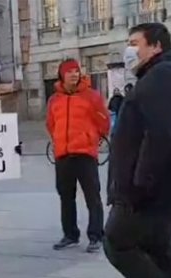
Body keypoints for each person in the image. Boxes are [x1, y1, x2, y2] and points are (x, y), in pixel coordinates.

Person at [105, 22, 171, 278]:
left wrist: (142, 181)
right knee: (158, 248)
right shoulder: (160, 75)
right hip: (161, 188)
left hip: (146, 190)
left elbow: (161, 132)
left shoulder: (163, 76)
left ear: (156, 46)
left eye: (134, 42)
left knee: (117, 242)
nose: (129, 48)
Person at [46, 58, 110, 253]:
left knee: (92, 196)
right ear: (62, 75)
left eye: (76, 71)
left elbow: (104, 123)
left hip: (85, 154)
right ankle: (70, 234)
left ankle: (96, 235)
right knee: (66, 197)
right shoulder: (54, 99)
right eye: (70, 72)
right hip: (63, 155)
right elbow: (50, 124)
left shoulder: (92, 96)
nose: (74, 74)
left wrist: (92, 139)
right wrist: (59, 141)